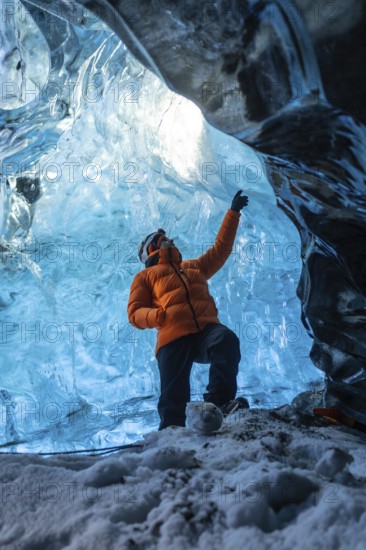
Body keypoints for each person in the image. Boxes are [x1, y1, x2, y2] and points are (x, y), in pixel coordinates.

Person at [127, 191, 249, 429]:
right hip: (172, 337)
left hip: (205, 331)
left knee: (226, 340)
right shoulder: (145, 276)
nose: (169, 240)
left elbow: (220, 250)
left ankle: (219, 403)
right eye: (162, 239)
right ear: (152, 247)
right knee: (173, 395)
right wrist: (157, 316)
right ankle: (171, 432)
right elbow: (134, 313)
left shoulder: (193, 267)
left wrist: (233, 214)